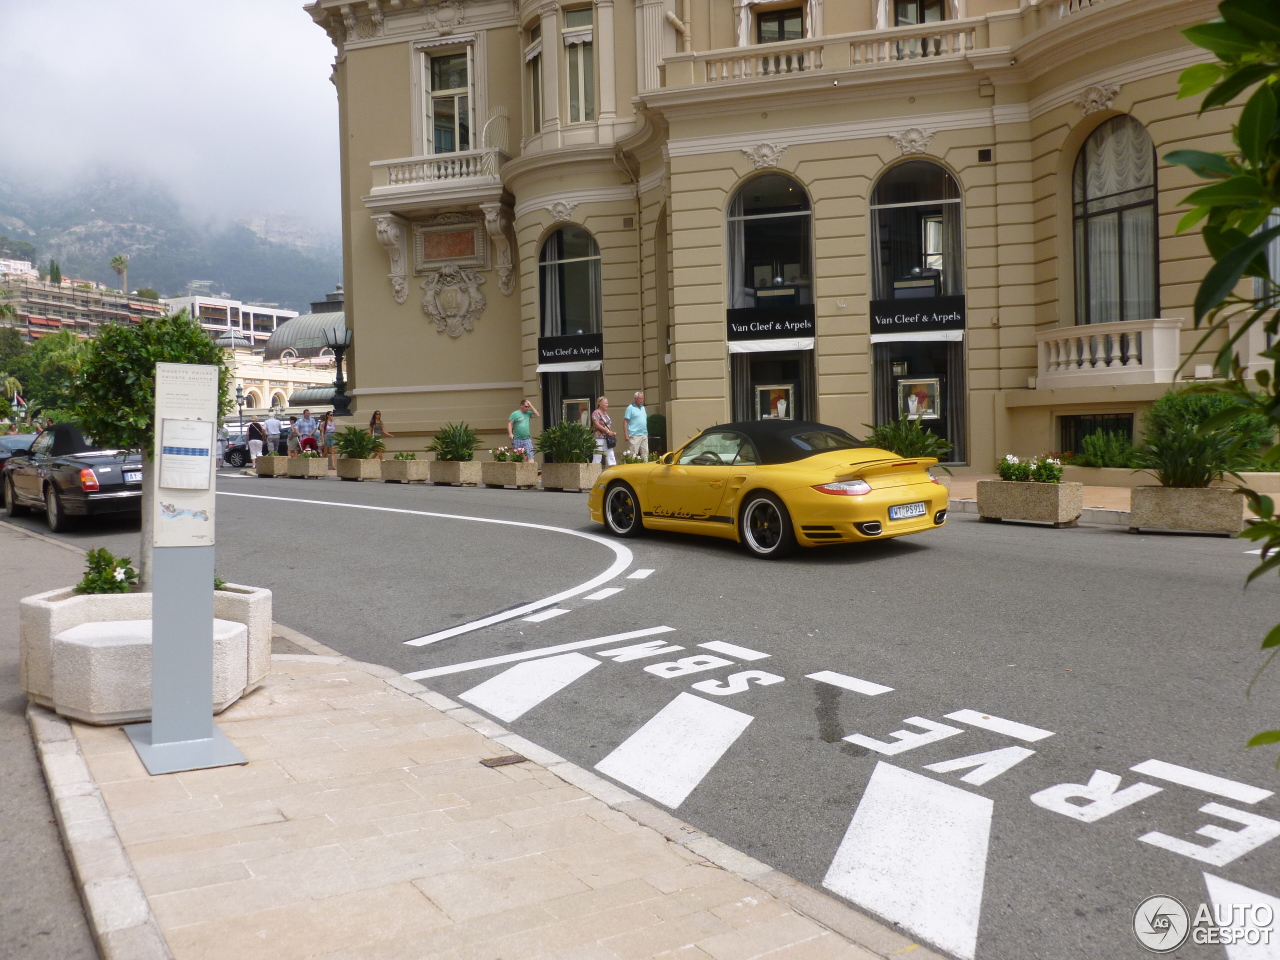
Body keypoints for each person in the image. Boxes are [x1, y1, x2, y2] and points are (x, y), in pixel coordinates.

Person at [591, 396, 617, 467]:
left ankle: (613, 473)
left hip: (607, 438)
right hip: (599, 438)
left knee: (611, 455)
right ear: (600, 404)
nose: (607, 405)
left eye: (607, 403)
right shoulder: (595, 413)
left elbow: (608, 425)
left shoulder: (606, 414)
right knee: (597, 456)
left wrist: (611, 433)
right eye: (605, 403)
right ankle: (594, 473)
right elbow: (597, 425)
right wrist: (608, 431)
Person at [623, 391, 648, 460]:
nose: (641, 400)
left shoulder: (643, 408)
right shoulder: (630, 408)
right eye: (640, 398)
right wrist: (626, 434)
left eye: (642, 398)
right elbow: (625, 421)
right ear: (635, 398)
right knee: (633, 455)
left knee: (645, 454)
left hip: (644, 434)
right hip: (634, 435)